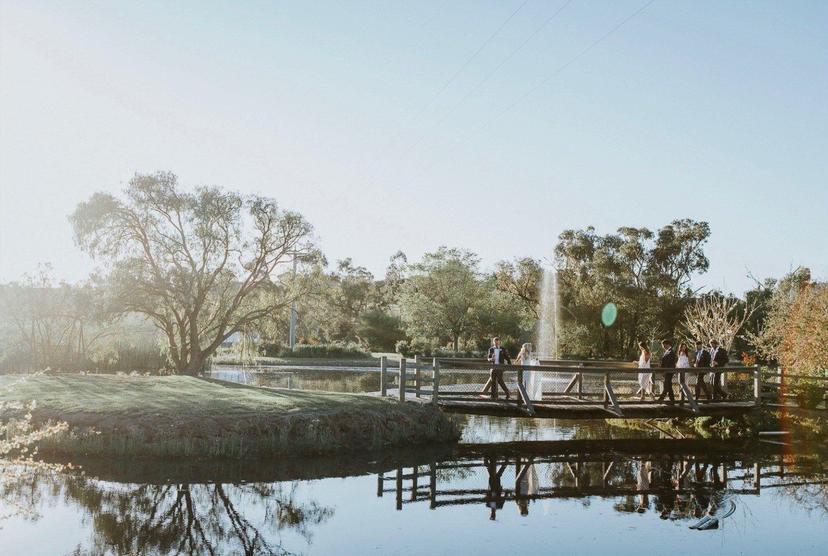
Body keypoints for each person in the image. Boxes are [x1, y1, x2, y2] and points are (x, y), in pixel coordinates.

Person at [657, 340, 678, 405]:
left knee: (666, 385)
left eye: (664, 345)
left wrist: (665, 371)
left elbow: (669, 363)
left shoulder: (671, 352)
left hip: (669, 371)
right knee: (669, 386)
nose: (663, 347)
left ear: (667, 344)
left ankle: (660, 400)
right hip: (667, 371)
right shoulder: (667, 352)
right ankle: (672, 400)